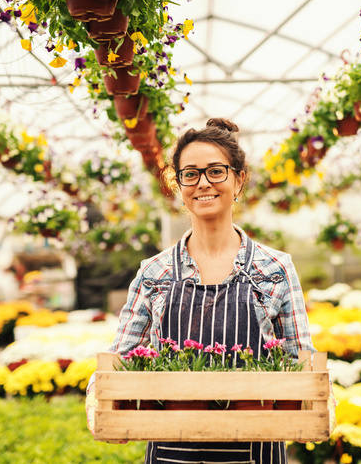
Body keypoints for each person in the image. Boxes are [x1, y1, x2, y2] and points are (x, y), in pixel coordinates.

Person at [87, 118, 315, 463]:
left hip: (257, 449)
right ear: (178, 185)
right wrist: (98, 397)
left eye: (216, 171)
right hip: (170, 452)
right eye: (190, 174)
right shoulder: (154, 273)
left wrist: (320, 399)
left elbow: (302, 363)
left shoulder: (275, 269)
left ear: (239, 179)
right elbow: (119, 359)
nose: (202, 183)